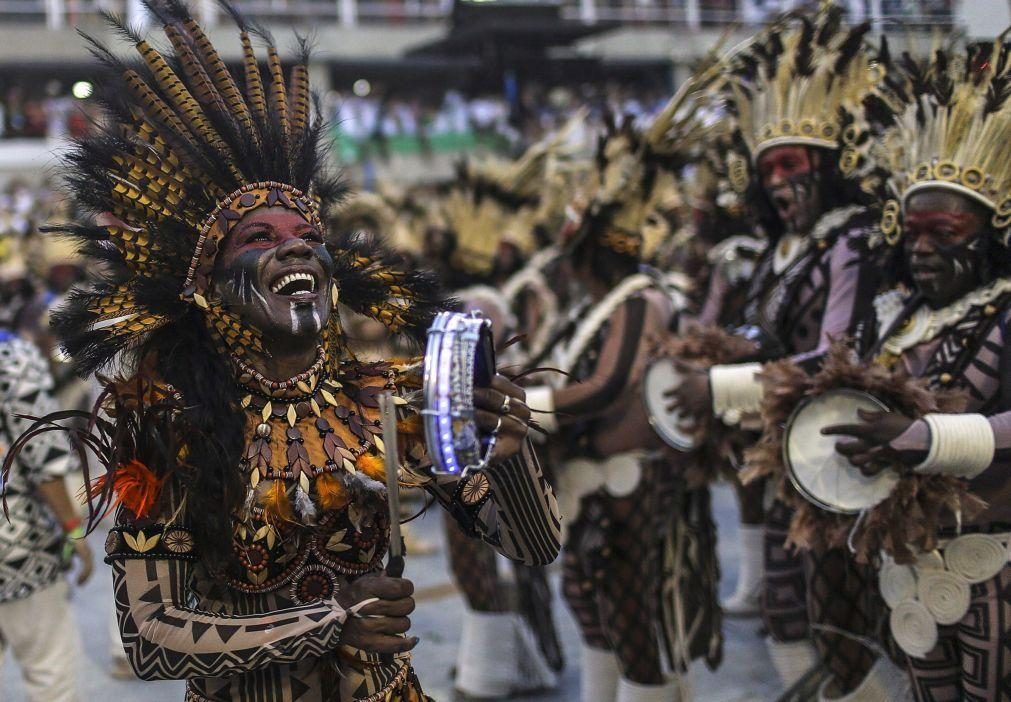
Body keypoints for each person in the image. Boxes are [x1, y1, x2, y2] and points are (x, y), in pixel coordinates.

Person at [3, 4, 560, 700]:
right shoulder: (166, 421)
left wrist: (509, 458)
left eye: (307, 232)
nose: (296, 245)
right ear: (205, 285)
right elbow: (150, 636)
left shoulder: (388, 395)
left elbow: (533, 548)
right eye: (259, 238)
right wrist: (328, 625)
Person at [666, 5, 895, 696]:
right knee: (784, 612)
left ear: (827, 164)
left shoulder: (851, 238)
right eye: (765, 169)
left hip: (835, 447)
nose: (775, 182)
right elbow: (760, 335)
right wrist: (710, 358)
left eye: (790, 165)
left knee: (840, 626)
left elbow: (836, 354)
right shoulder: (776, 248)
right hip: (778, 446)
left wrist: (722, 386)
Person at [818, 37, 1011, 701]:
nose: (921, 249)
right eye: (913, 232)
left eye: (945, 232)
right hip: (906, 566)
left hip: (996, 561)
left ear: (993, 233)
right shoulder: (896, 318)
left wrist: (927, 440)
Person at [0, 229, 93, 702]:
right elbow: (41, 457)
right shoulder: (10, 357)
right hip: (17, 548)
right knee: (49, 674)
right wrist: (75, 533)